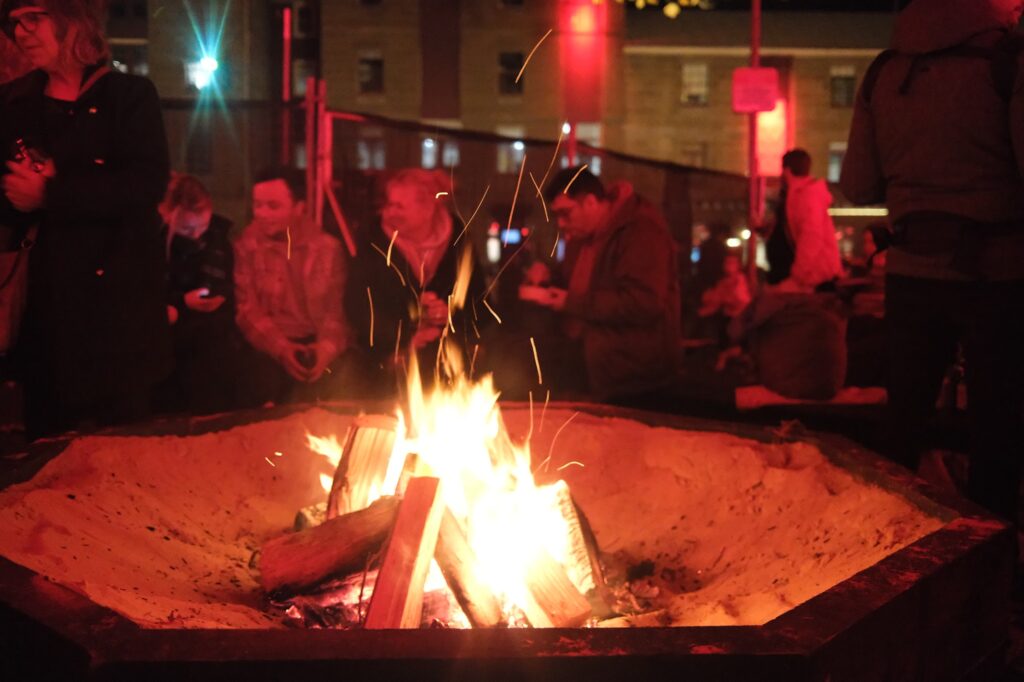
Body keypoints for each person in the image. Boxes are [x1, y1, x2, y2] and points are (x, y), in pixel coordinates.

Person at [840, 0, 1024, 522]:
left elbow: (857, 184)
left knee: (903, 421)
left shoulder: (885, 71)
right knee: (997, 428)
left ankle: (888, 545)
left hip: (911, 274)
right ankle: (987, 561)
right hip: (998, 276)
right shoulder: (1008, 62)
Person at [0, 0, 172, 438]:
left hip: (119, 313)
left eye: (32, 18)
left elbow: (146, 185)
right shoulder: (14, 102)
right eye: (14, 22)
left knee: (124, 458)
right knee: (48, 463)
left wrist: (51, 193)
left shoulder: (130, 96)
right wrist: (17, 200)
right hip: (49, 313)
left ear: (71, 22)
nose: (20, 32)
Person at [525, 166, 680, 404]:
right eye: (557, 216)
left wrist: (570, 302)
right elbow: (579, 282)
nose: (561, 224)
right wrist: (548, 279)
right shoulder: (582, 236)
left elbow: (644, 303)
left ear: (590, 202)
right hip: (589, 362)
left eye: (566, 213)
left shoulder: (641, 232)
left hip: (630, 376)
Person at [345, 168, 486, 395]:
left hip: (449, 353)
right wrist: (408, 338)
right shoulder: (373, 239)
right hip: (387, 354)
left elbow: (477, 301)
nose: (388, 213)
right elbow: (358, 307)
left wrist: (448, 313)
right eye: (388, 204)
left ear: (428, 207)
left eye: (399, 206)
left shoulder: (458, 238)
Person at [234, 168, 351, 405]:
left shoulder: (328, 249)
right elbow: (246, 309)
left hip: (314, 338)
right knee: (259, 382)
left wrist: (325, 350)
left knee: (344, 382)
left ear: (299, 207)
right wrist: (281, 348)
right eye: (258, 205)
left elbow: (337, 310)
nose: (262, 214)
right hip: (266, 344)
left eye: (273, 206)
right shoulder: (246, 246)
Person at [158, 173, 244, 414]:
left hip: (211, 340)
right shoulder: (155, 244)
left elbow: (231, 283)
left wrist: (220, 298)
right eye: (186, 229)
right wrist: (183, 302)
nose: (196, 236)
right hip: (172, 343)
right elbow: (147, 295)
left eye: (202, 227)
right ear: (168, 216)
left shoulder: (219, 240)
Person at [768, 149, 843, 293]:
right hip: (813, 279)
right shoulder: (802, 194)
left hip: (816, 280)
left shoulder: (806, 196)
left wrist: (798, 276)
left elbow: (811, 237)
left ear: (787, 170)